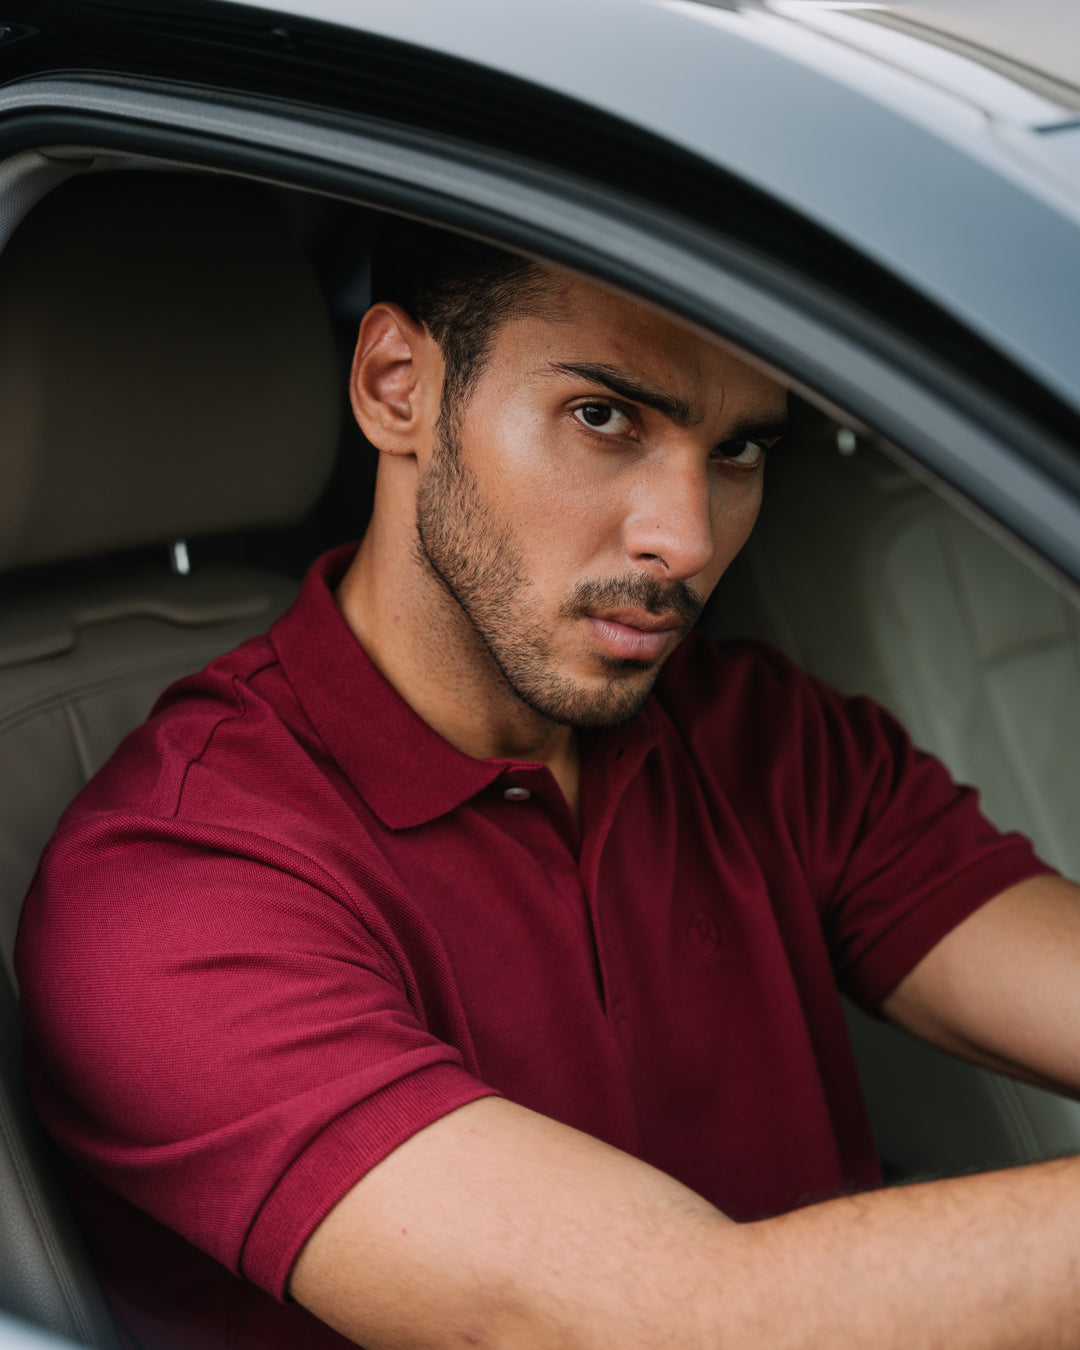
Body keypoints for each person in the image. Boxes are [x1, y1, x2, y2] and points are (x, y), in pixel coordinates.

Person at [15, 220, 1080, 1350]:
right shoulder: (173, 886)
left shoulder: (756, 734)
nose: (686, 538)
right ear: (395, 388)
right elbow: (666, 1322)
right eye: (603, 417)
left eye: (738, 452)